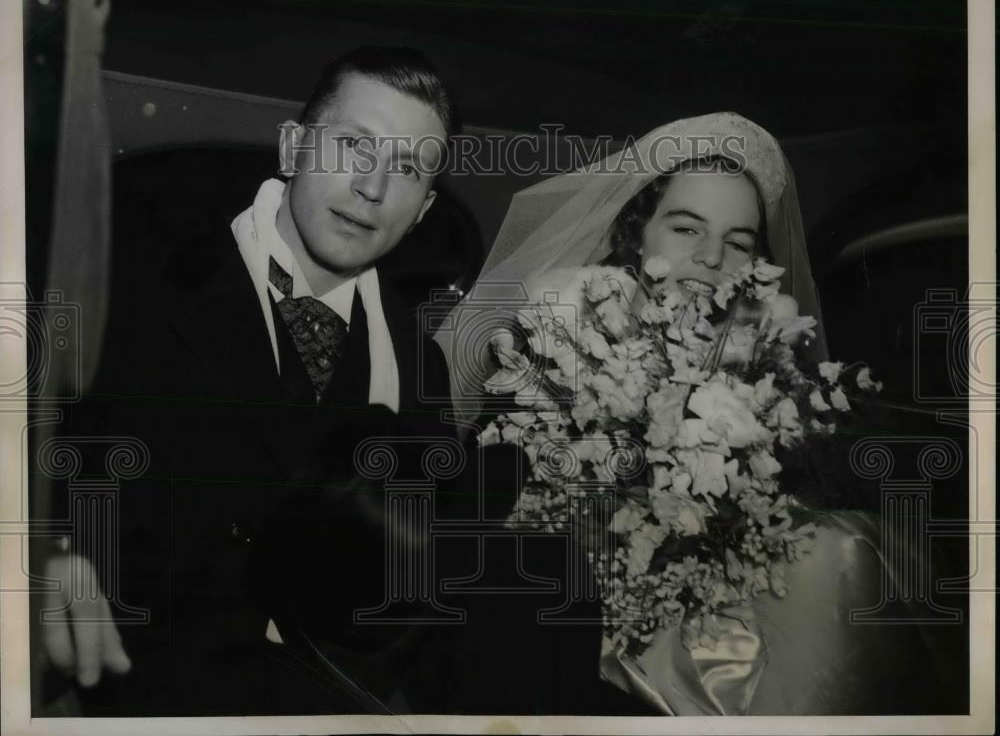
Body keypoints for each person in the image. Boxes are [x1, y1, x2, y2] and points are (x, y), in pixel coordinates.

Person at [437, 112, 956, 715]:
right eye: (686, 229)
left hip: (725, 591)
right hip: (586, 604)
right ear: (637, 234)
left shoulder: (766, 353)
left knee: (849, 559)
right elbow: (503, 518)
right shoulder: (563, 329)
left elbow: (788, 494)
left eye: (737, 241)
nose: (712, 257)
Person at [41, 46, 461, 715]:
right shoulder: (135, 272)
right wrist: (46, 552)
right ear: (294, 146)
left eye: (406, 169)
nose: (372, 188)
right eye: (355, 146)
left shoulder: (419, 368)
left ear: (423, 208)